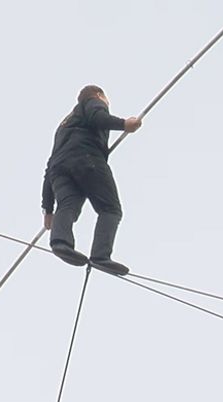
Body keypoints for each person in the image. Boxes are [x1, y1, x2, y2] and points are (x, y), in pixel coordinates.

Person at [42, 85, 142, 275]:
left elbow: (50, 165)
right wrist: (124, 125)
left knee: (68, 205)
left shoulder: (64, 126)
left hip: (59, 169)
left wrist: (48, 209)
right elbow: (99, 118)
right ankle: (100, 256)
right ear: (99, 95)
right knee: (110, 209)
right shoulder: (93, 102)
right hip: (87, 160)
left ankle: (60, 242)